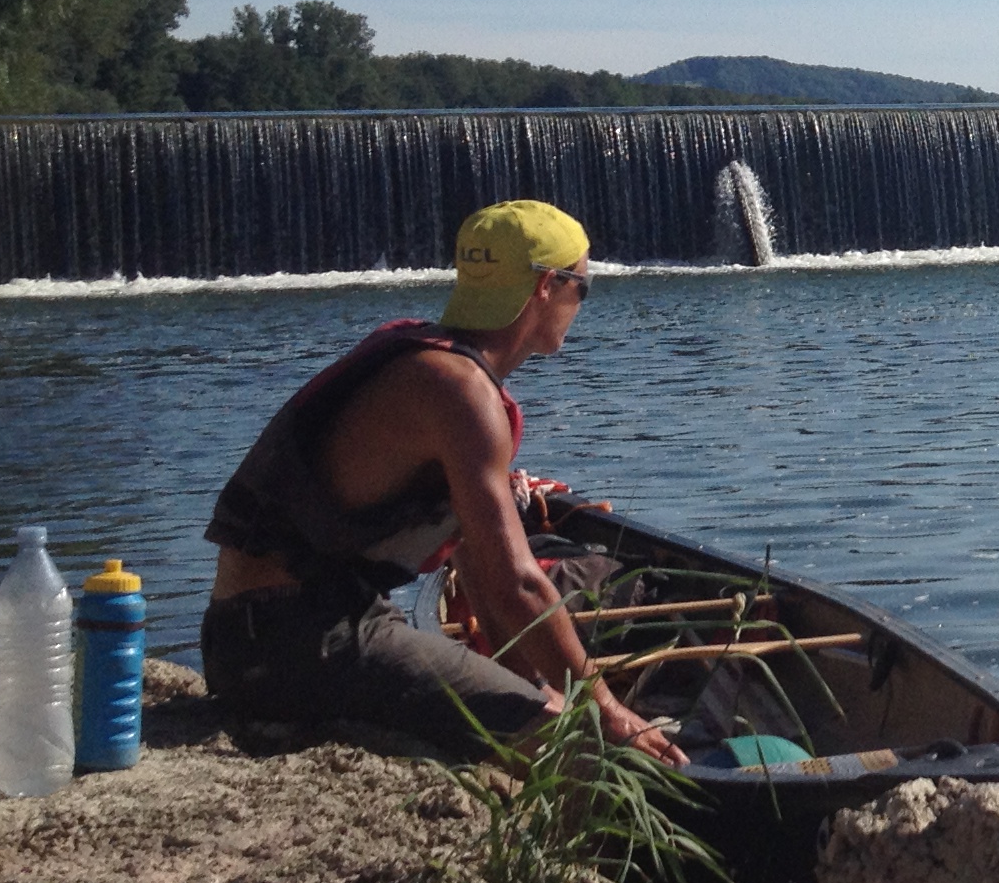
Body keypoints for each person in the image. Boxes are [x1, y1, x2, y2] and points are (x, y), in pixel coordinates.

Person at [201, 200, 683, 764]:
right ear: (546, 287)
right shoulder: (463, 394)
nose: (583, 302)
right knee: (578, 739)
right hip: (292, 640)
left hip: (268, 630)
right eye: (584, 286)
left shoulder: (430, 360)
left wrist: (533, 686)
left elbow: (481, 568)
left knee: (544, 705)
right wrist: (604, 709)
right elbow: (518, 585)